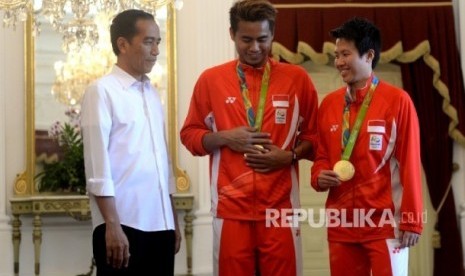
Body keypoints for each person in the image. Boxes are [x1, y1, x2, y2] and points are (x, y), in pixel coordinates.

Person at [180, 0, 319, 275]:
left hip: (280, 210)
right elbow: (190, 136)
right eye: (246, 39)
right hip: (231, 211)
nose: (255, 48)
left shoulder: (297, 79)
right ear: (231, 34)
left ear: (273, 35)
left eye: (262, 39)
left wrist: (289, 156)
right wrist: (223, 138)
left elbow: (316, 139)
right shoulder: (211, 80)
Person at [311, 17, 423, 276]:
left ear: (368, 55)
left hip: (384, 226)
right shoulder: (328, 104)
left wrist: (412, 220)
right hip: (341, 226)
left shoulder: (397, 101)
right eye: (336, 54)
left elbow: (410, 164)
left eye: (345, 54)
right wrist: (319, 176)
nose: (338, 62)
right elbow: (322, 156)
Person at [80, 9, 181, 276]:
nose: (156, 50)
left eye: (158, 42)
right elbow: (97, 167)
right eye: (149, 41)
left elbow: (164, 163)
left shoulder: (152, 93)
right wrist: (112, 225)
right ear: (122, 44)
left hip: (161, 225)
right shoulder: (101, 91)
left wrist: (173, 220)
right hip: (122, 224)